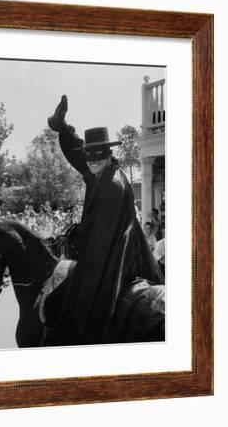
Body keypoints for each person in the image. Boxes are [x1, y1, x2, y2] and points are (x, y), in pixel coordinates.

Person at [44, 95, 163, 346]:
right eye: (90, 156)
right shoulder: (100, 169)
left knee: (75, 304)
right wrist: (62, 126)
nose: (92, 160)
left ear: (109, 154)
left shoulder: (112, 186)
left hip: (117, 253)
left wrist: (70, 235)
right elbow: (80, 154)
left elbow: (98, 231)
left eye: (98, 155)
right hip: (111, 244)